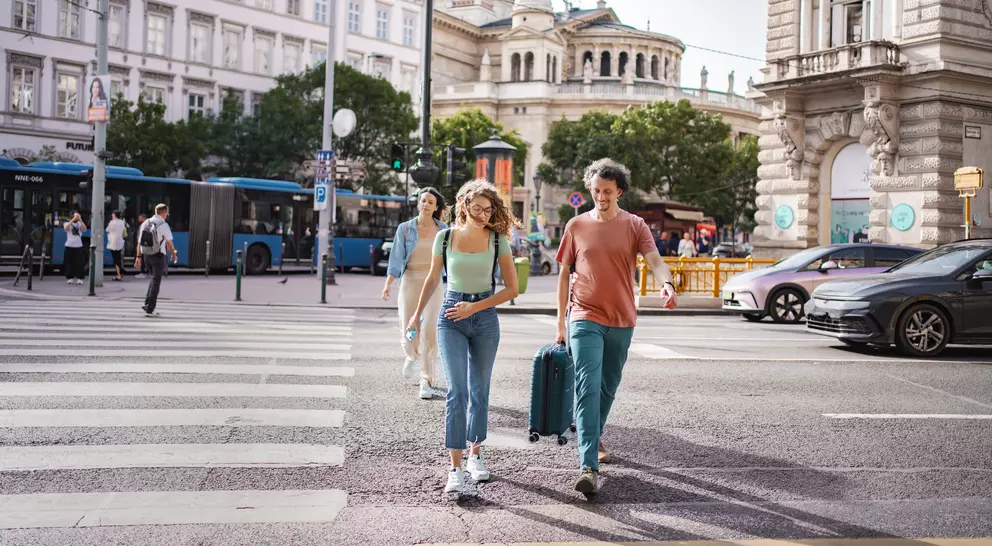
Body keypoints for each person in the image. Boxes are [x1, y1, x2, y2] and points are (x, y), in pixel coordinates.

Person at [555, 158, 678, 495]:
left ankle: (593, 434)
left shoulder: (635, 225)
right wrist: (560, 322)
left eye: (607, 191)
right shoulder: (576, 225)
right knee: (588, 385)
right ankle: (587, 465)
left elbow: (654, 260)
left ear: (619, 191)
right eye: (595, 190)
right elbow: (564, 272)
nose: (600, 196)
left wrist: (667, 285)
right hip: (583, 314)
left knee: (608, 387)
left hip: (622, 317)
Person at [407, 179, 520, 497]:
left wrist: (476, 307)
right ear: (464, 206)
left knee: (479, 391)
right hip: (451, 317)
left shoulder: (498, 241)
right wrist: (416, 315)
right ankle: (455, 468)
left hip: (483, 318)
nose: (484, 214)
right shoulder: (444, 238)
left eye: (489, 209)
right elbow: (432, 279)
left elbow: (512, 289)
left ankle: (476, 455)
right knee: (457, 392)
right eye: (478, 208)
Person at [382, 188, 449, 400]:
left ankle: (426, 380)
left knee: (430, 331)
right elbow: (396, 258)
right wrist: (388, 283)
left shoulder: (443, 230)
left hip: (434, 284)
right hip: (410, 281)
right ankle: (411, 355)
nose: (426, 204)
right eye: (423, 201)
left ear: (436, 207)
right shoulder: (406, 229)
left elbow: (450, 259)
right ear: (418, 204)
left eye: (431, 202)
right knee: (409, 329)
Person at [135, 204, 177, 317]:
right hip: (158, 255)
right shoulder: (163, 224)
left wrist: (138, 257)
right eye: (167, 213)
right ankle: (150, 308)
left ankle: (147, 304)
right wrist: (173, 254)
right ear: (163, 213)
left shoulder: (145, 223)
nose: (167, 215)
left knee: (153, 280)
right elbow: (169, 242)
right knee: (156, 282)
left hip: (146, 255)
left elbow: (139, 242)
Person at [63, 211, 87, 285]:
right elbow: (66, 228)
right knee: (69, 263)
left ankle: (80, 278)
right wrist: (73, 220)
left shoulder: (79, 224)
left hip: (78, 246)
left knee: (80, 263)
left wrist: (80, 220)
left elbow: (84, 229)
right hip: (69, 246)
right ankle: (70, 277)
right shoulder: (67, 223)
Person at [106, 211, 127, 281]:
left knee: (116, 259)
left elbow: (107, 230)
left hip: (113, 242)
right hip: (120, 242)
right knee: (118, 258)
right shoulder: (122, 222)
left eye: (113, 214)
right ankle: (120, 271)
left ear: (114, 215)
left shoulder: (112, 222)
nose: (112, 216)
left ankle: (118, 275)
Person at [135, 214, 148, 278]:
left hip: (143, 244)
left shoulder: (143, 225)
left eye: (139, 218)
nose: (138, 219)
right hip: (145, 244)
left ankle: (143, 272)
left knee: (143, 258)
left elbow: (140, 236)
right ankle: (147, 272)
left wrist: (138, 245)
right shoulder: (147, 224)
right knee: (145, 258)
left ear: (143, 218)